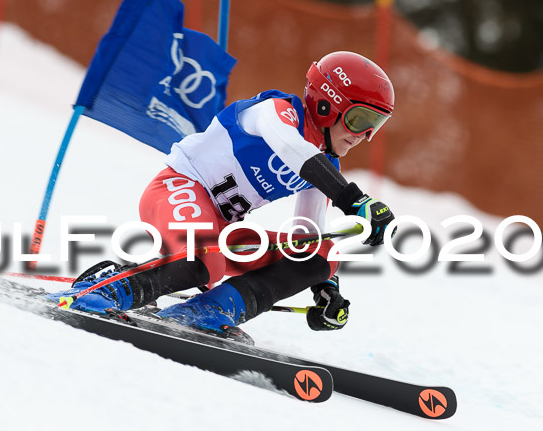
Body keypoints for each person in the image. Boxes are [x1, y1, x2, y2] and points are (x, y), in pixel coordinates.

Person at [49, 51, 397, 337]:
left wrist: (326, 289)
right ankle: (104, 290)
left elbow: (306, 234)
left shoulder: (323, 167)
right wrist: (354, 200)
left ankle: (210, 309)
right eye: (359, 119)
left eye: (375, 127)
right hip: (178, 189)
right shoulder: (277, 112)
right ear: (327, 104)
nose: (364, 135)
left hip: (219, 229)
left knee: (321, 252)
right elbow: (294, 150)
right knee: (205, 258)